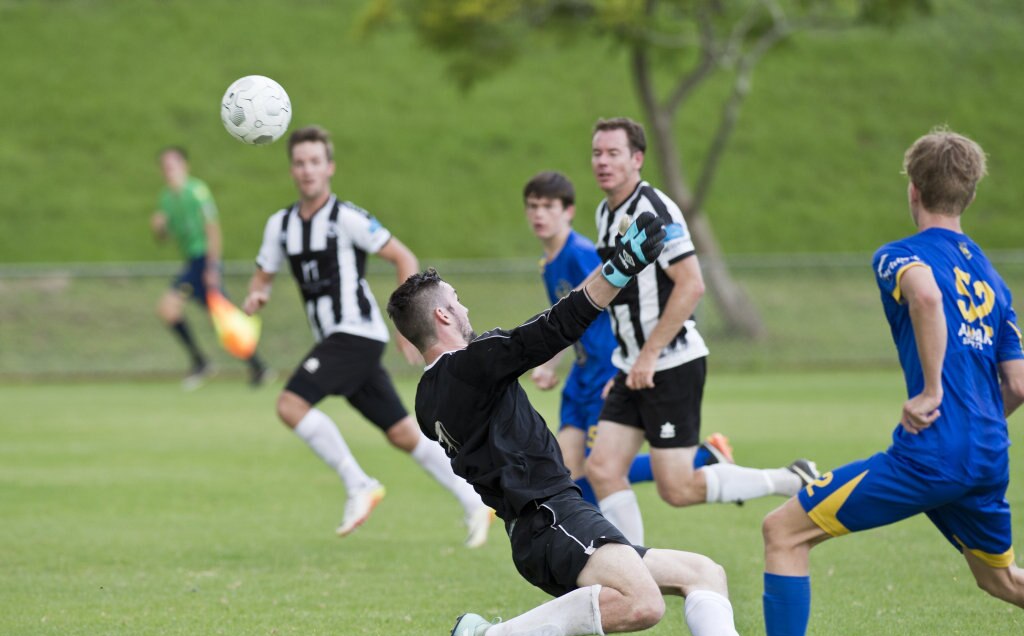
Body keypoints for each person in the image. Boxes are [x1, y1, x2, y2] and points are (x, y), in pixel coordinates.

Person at [386, 215, 815, 636]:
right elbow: (550, 329)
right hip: (549, 518)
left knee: (703, 573)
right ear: (442, 317)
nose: (464, 306)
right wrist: (620, 267)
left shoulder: (427, 401)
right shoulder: (471, 365)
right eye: (456, 300)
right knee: (643, 605)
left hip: (546, 522)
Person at [700, 128, 1024, 636]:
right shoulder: (992, 279)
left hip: (934, 455)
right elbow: (1019, 384)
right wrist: (970, 427)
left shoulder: (900, 255)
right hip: (988, 451)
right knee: (1001, 580)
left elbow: (925, 298)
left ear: (913, 190)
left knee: (783, 531)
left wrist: (931, 393)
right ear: (970, 194)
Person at [242, 125, 492, 547]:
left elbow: (402, 256)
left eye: (315, 162)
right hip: (341, 341)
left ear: (330, 168)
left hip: (355, 334)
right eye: (300, 163)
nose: (307, 171)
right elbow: (262, 276)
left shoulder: (347, 218)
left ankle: (358, 484)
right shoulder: (280, 225)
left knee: (289, 405)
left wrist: (407, 328)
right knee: (402, 433)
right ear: (292, 170)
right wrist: (256, 295)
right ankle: (473, 498)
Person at [584, 118, 818, 545]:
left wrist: (650, 354)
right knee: (601, 468)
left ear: (637, 159)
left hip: (669, 362)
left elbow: (692, 284)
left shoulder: (654, 209)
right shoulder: (605, 213)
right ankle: (634, 565)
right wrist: (623, 364)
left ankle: (790, 480)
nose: (602, 161)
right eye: (597, 153)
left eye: (613, 153)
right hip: (634, 365)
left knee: (677, 489)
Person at [523, 170, 736, 507]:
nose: (538, 214)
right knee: (568, 466)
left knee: (600, 467)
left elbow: (611, 299)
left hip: (604, 368)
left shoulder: (579, 253)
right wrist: (550, 363)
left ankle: (701, 460)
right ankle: (598, 545)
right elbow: (566, 321)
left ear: (568, 211)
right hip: (581, 375)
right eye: (533, 206)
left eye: (548, 206)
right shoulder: (547, 263)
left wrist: (619, 368)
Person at [151, 146, 272, 390]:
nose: (169, 171)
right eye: (165, 167)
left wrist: (212, 266)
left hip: (203, 261)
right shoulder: (166, 198)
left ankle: (223, 364)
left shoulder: (197, 192)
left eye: (173, 165)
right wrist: (159, 228)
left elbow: (212, 229)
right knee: (210, 316)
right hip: (191, 262)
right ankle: (252, 366)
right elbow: (163, 238)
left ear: (185, 166)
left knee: (216, 316)